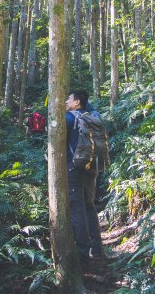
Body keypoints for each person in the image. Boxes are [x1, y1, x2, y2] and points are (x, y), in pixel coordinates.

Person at [65, 88, 105, 268]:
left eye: (69, 99)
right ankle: (97, 250)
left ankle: (82, 254)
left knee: (77, 208)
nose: (66, 101)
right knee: (89, 206)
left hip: (74, 168)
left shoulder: (70, 118)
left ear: (77, 102)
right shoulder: (93, 116)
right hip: (91, 167)